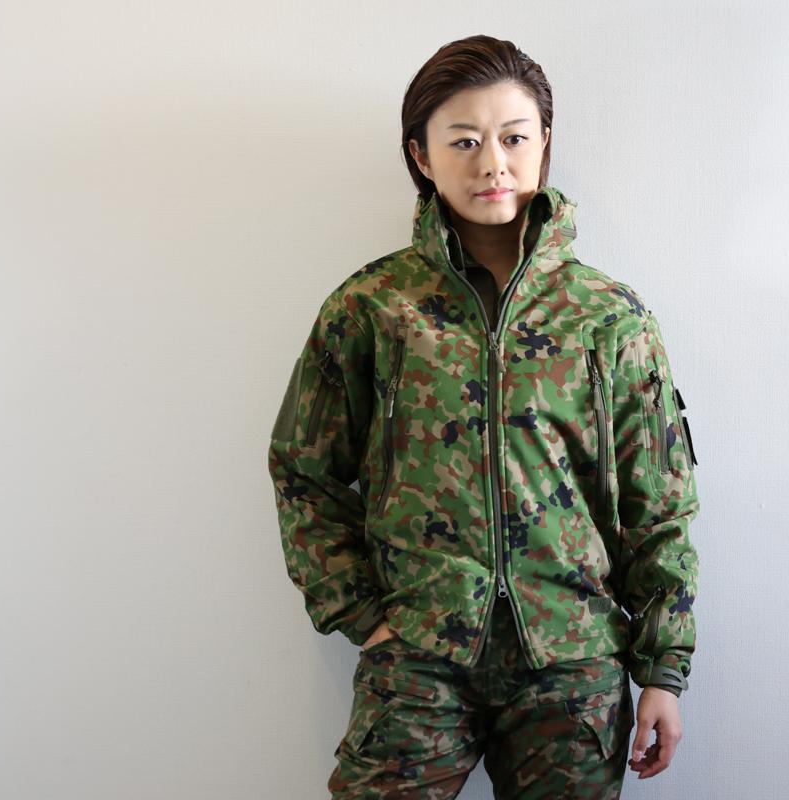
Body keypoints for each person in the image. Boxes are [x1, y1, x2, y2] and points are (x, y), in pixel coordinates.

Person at [267, 34, 700, 800]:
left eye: (513, 138)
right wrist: (360, 613)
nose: (492, 163)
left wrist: (662, 669)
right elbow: (304, 471)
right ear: (422, 155)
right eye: (464, 141)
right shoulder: (372, 309)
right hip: (419, 656)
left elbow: (659, 503)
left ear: (544, 144)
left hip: (571, 664)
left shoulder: (609, 318)